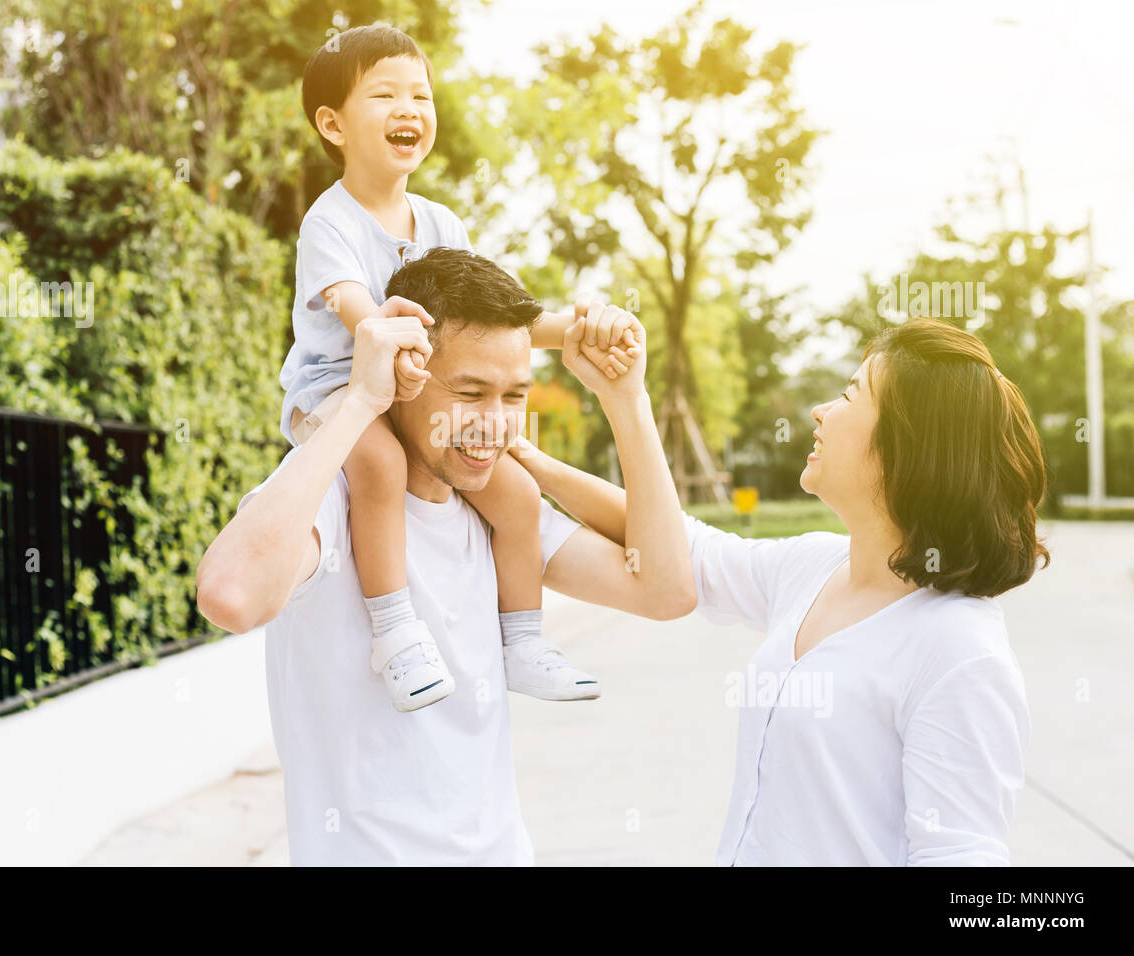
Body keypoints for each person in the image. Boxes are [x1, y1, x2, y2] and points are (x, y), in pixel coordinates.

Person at [195, 247, 695, 865]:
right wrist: (357, 403)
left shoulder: (491, 513)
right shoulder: (333, 501)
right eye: (470, 392)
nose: (493, 421)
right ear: (403, 376)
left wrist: (626, 402)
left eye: (514, 396)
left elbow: (666, 588)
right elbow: (230, 595)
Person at [513, 318, 1048, 865]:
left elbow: (960, 857)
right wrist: (551, 444)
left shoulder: (959, 652)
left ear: (907, 447)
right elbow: (676, 546)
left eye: (848, 396)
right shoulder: (815, 565)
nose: (821, 412)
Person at [279, 23, 638, 710]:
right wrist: (389, 339)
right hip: (336, 389)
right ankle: (396, 634)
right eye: (384, 95)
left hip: (414, 397)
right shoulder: (331, 221)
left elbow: (489, 317)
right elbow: (357, 308)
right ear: (332, 123)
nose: (409, 108)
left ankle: (523, 639)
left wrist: (572, 330)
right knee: (380, 466)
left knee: (517, 494)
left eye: (421, 94)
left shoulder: (442, 223)